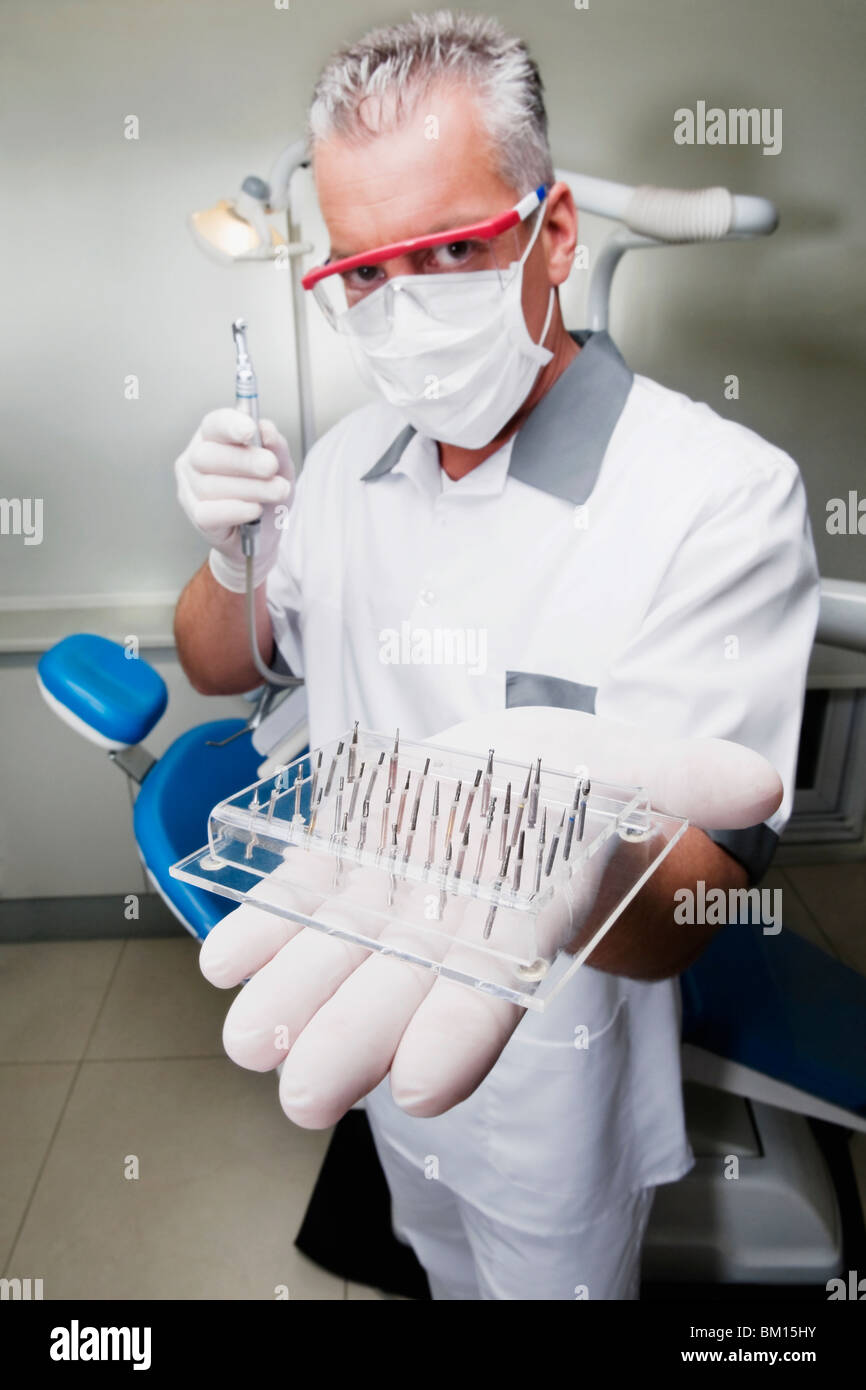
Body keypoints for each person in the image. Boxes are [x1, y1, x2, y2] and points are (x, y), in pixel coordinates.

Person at [173, 11, 819, 1299]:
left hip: (553, 1077)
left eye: (450, 249)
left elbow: (690, 906)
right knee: (424, 1254)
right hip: (369, 1016)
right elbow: (219, 663)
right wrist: (235, 557)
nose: (402, 308)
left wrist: (563, 845)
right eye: (360, 273)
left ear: (555, 233)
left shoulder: (717, 492)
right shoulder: (351, 461)